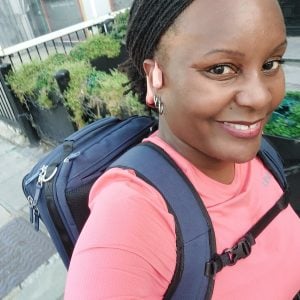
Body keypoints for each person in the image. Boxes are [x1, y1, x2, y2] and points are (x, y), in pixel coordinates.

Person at [64, 0, 300, 298]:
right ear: (155, 77)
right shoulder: (131, 218)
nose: (259, 97)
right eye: (221, 68)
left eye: (270, 64)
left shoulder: (259, 156)